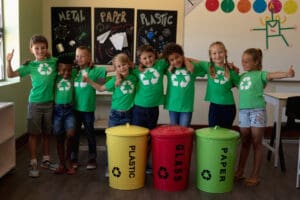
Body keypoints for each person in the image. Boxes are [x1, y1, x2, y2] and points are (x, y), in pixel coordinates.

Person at [234, 48, 295, 186]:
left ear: (256, 62)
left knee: (257, 143)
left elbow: (273, 75)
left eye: (247, 61)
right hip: (243, 112)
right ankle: (240, 172)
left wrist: (287, 74)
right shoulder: (242, 77)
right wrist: (232, 69)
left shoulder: (260, 74)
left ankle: (255, 175)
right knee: (244, 142)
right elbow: (231, 80)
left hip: (257, 112)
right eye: (242, 61)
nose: (244, 63)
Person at [6, 34, 58, 177]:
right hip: (35, 103)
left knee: (47, 133)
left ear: (47, 49)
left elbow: (65, 64)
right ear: (31, 49)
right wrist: (8, 62)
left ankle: (46, 160)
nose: (40, 51)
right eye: (37, 48)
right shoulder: (29, 65)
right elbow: (10, 75)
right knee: (34, 134)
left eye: (43, 48)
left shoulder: (54, 62)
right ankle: (33, 161)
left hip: (49, 103)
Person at [71, 46, 113, 170]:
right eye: (77, 56)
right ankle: (73, 158)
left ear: (89, 58)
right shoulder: (73, 71)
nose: (79, 58)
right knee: (75, 135)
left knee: (90, 134)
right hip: (74, 109)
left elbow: (112, 68)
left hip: (88, 109)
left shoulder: (94, 70)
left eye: (83, 56)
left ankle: (92, 158)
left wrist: (126, 64)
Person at [83, 53, 137, 127]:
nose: (122, 68)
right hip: (116, 114)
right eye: (119, 66)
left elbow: (138, 68)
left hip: (130, 113)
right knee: (113, 137)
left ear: (128, 64)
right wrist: (89, 81)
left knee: (126, 137)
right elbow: (101, 88)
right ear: (116, 68)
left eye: (124, 64)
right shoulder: (114, 80)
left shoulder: (134, 76)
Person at [162, 43, 206, 127]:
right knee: (174, 130)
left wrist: (186, 60)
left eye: (177, 57)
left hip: (186, 106)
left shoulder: (192, 67)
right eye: (171, 60)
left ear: (182, 55)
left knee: (184, 130)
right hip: (172, 105)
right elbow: (154, 64)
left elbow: (205, 65)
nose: (175, 61)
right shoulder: (168, 69)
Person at [198, 41, 240, 129]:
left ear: (225, 52)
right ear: (210, 55)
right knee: (213, 131)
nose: (217, 55)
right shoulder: (208, 66)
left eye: (220, 52)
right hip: (214, 106)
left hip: (229, 107)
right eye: (214, 53)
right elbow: (190, 60)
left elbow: (241, 86)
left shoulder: (231, 70)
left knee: (226, 132)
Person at [53, 57, 77, 175]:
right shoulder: (55, 78)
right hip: (57, 110)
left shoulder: (74, 77)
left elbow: (84, 68)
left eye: (69, 70)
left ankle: (68, 160)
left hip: (69, 110)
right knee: (58, 136)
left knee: (71, 134)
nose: (66, 72)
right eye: (63, 70)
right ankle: (61, 163)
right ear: (58, 69)